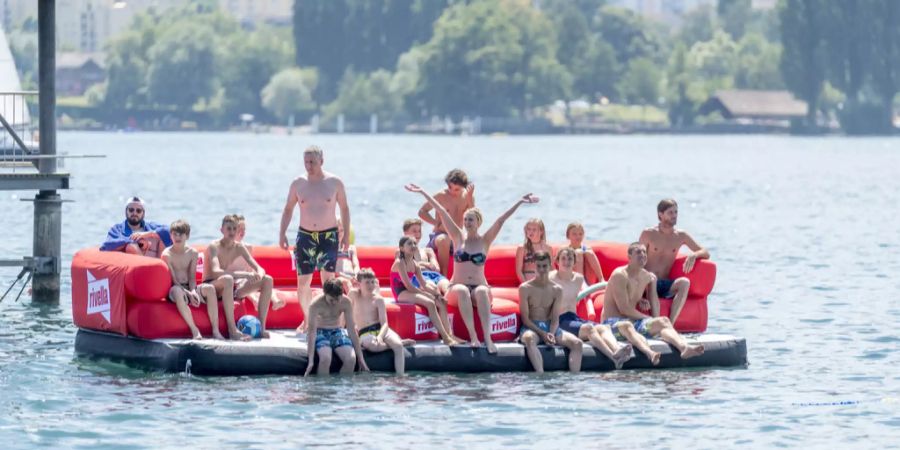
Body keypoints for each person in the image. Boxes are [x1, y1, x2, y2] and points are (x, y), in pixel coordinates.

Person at [407, 182, 537, 353]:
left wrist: (520, 201)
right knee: (461, 290)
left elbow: (501, 220)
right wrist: (423, 192)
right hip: (456, 287)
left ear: (478, 222)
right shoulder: (457, 237)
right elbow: (440, 210)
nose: (467, 222)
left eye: (471, 219)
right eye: (466, 219)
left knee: (482, 292)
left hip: (479, 286)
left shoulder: (485, 241)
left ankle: (488, 339)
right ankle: (473, 337)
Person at [278, 145, 351, 334]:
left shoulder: (334, 182)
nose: (309, 166)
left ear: (322, 161)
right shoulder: (298, 183)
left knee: (329, 280)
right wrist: (282, 232)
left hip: (329, 236)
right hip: (305, 236)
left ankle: (330, 320)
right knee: (303, 283)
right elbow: (288, 209)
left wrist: (346, 238)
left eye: (313, 162)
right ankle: (308, 319)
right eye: (306, 162)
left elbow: (344, 208)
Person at [601, 242, 705, 365]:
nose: (643, 255)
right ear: (629, 257)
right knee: (627, 325)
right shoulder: (620, 275)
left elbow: (652, 299)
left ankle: (684, 348)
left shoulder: (646, 276)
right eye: (638, 252)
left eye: (645, 252)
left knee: (664, 321)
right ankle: (650, 353)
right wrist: (648, 318)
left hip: (633, 323)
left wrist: (655, 319)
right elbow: (624, 309)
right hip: (613, 324)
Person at [551, 247, 633, 369]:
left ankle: (617, 350)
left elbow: (587, 293)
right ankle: (613, 357)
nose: (567, 262)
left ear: (574, 262)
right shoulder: (551, 278)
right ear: (557, 261)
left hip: (573, 318)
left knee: (604, 327)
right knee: (589, 328)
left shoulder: (578, 278)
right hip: (560, 320)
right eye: (563, 258)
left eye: (570, 259)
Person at [203, 215, 275, 340]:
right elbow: (216, 271)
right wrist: (245, 275)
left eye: (234, 229)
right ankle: (232, 331)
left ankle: (261, 328)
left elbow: (258, 267)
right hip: (213, 284)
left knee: (268, 280)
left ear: (237, 230)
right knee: (228, 279)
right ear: (222, 230)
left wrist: (259, 274)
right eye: (228, 229)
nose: (231, 232)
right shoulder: (214, 246)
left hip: (232, 286)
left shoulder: (239, 247)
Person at [639, 198, 710, 325]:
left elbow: (705, 252)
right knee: (653, 278)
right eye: (670, 213)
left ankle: (669, 325)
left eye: (676, 212)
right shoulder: (648, 233)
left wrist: (694, 255)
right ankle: (656, 323)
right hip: (646, 282)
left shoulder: (680, 236)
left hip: (665, 284)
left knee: (684, 282)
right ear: (660, 215)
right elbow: (636, 258)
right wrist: (637, 290)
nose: (674, 216)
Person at [390, 237, 462, 346]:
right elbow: (408, 286)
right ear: (402, 248)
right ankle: (445, 337)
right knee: (430, 303)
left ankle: (450, 334)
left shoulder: (415, 264)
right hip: (401, 292)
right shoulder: (400, 262)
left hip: (411, 290)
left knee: (441, 303)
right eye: (409, 244)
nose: (413, 246)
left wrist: (437, 295)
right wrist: (426, 294)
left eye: (415, 243)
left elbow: (424, 284)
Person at [518, 251, 582, 373]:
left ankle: (574, 380)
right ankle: (541, 375)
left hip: (550, 326)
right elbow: (525, 319)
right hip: (532, 327)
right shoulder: (525, 288)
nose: (542, 270)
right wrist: (542, 334)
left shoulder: (557, 289)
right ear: (534, 266)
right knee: (529, 339)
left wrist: (551, 333)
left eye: (544, 266)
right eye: (538, 266)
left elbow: (555, 318)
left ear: (550, 265)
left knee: (577, 343)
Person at [160, 220, 220, 340]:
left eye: (180, 234)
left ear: (187, 236)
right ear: (170, 235)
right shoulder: (167, 254)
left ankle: (216, 330)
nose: (177, 237)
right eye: (174, 234)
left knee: (210, 288)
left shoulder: (193, 253)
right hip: (175, 288)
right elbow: (174, 280)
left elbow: (192, 277)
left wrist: (193, 291)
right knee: (177, 291)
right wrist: (187, 293)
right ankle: (194, 329)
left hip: (189, 286)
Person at [350, 268, 415, 375]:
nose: (370, 285)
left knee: (398, 347)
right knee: (373, 346)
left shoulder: (378, 299)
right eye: (367, 282)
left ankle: (400, 376)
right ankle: (398, 343)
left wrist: (380, 336)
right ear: (359, 284)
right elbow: (346, 310)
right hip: (365, 332)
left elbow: (384, 323)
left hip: (380, 329)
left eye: (372, 282)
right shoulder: (354, 294)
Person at [304, 278, 369, 376]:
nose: (334, 302)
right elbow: (312, 332)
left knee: (351, 359)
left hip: (337, 331)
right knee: (325, 359)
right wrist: (311, 361)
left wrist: (361, 358)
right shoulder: (315, 305)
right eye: (331, 300)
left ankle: (342, 389)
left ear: (342, 294)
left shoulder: (346, 302)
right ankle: (324, 388)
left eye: (337, 299)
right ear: (324, 293)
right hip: (319, 331)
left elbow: (351, 329)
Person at [417, 169, 475, 276]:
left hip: (457, 237)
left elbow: (474, 216)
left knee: (474, 241)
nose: (452, 191)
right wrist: (435, 222)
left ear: (463, 187)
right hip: (439, 236)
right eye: (450, 187)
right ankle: (443, 277)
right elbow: (422, 212)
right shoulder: (441, 195)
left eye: (457, 189)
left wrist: (470, 198)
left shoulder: (468, 197)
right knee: (444, 239)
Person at [230, 214, 284, 309]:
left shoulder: (248, 247)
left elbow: (250, 268)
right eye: (240, 229)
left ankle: (275, 300)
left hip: (247, 280)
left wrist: (258, 274)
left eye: (244, 229)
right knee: (247, 282)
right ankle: (255, 300)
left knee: (265, 279)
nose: (242, 232)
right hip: (236, 284)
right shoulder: (227, 249)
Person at [101, 196, 171, 257]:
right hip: (133, 267)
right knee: (131, 247)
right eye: (131, 210)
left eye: (138, 211)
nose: (134, 213)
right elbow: (107, 245)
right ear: (126, 211)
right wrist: (137, 242)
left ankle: (160, 267)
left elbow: (170, 230)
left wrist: (149, 234)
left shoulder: (151, 227)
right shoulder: (117, 229)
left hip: (157, 265)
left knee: (162, 236)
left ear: (143, 213)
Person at [402, 218, 450, 295]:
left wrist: (423, 265)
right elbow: (408, 268)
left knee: (448, 287)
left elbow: (436, 268)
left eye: (419, 231)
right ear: (405, 233)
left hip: (435, 276)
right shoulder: (402, 252)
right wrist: (426, 264)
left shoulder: (428, 251)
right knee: (432, 287)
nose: (417, 234)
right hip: (419, 278)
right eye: (414, 231)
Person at [515, 218, 552, 283]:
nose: (530, 232)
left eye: (534, 229)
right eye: (528, 229)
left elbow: (552, 269)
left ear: (541, 231)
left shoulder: (547, 248)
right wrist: (526, 285)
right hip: (529, 281)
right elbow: (519, 271)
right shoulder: (522, 248)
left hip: (544, 281)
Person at [334, 219, 360, 294]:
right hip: (338, 278)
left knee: (367, 281)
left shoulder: (351, 248)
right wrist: (348, 278)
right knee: (346, 282)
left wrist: (356, 276)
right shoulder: (330, 249)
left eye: (341, 230)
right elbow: (333, 271)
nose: (339, 233)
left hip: (352, 277)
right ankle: (352, 302)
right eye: (337, 231)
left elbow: (356, 265)